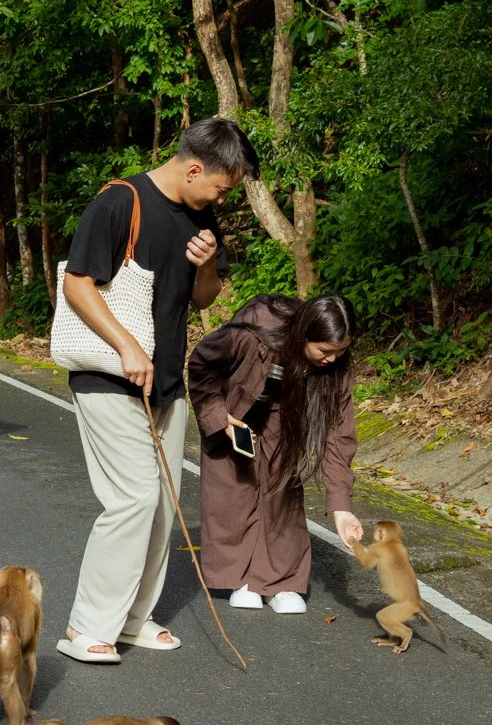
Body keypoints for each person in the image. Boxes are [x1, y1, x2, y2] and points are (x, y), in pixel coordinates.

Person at [56, 116, 257, 664]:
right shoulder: (119, 203)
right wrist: (126, 346)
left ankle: (132, 620)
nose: (221, 196)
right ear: (194, 168)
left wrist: (209, 261)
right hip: (108, 374)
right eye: (220, 186)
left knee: (163, 506)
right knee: (133, 499)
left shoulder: (200, 215)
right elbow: (78, 284)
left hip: (165, 379)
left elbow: (204, 300)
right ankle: (85, 627)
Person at [187, 293, 361, 614]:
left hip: (286, 413)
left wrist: (341, 508)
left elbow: (338, 434)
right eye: (325, 350)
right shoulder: (252, 334)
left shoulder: (336, 368)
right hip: (234, 404)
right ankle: (240, 578)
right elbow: (201, 364)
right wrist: (217, 415)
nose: (333, 359)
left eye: (341, 351)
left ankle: (282, 581)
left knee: (282, 492)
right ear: (304, 334)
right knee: (232, 493)